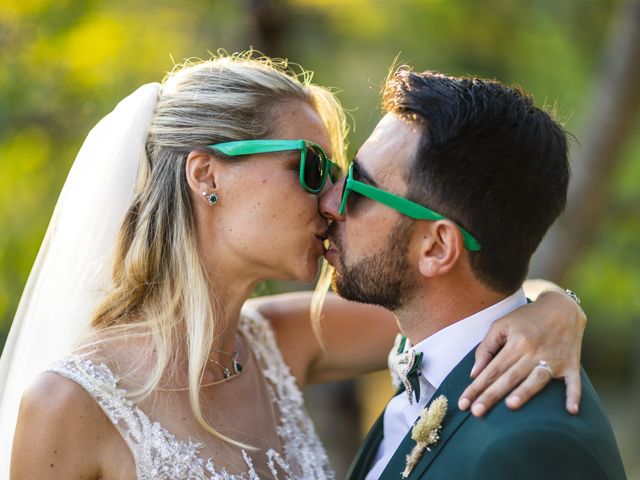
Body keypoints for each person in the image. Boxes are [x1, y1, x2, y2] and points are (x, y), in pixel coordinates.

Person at [0, 53, 585, 480]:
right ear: (207, 176)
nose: (333, 200)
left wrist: (557, 311)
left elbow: (464, 303)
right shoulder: (69, 403)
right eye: (310, 168)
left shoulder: (283, 339)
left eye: (339, 177)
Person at [317, 69, 627, 479]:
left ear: (437, 247)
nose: (330, 201)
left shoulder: (536, 448)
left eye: (359, 187)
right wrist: (560, 301)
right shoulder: (430, 362)